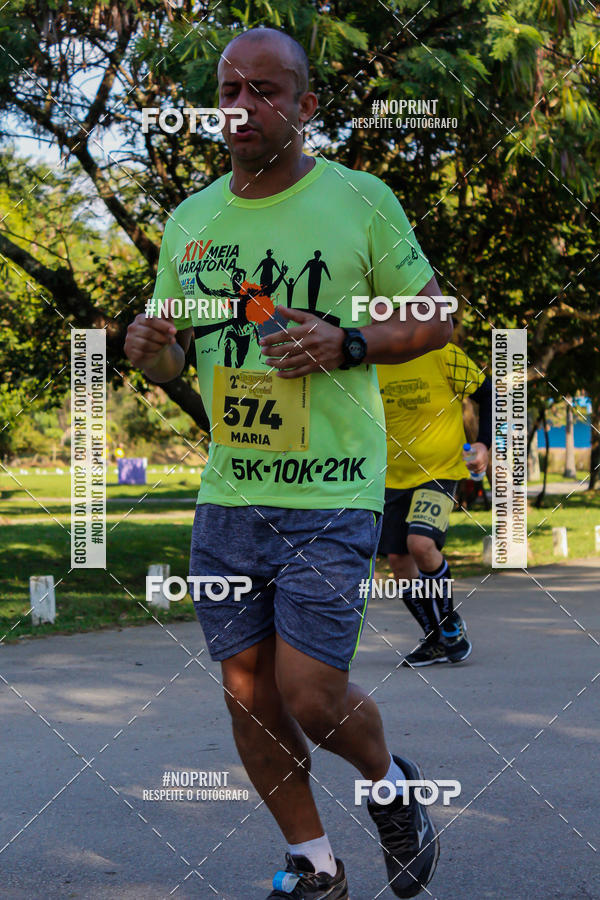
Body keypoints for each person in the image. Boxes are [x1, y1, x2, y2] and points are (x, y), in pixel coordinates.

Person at [125, 27, 452, 899]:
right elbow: (170, 365)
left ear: (306, 107)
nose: (243, 108)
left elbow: (436, 317)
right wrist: (148, 347)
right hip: (232, 496)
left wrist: (349, 340)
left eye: (266, 92)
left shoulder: (360, 199)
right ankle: (316, 865)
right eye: (231, 91)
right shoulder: (192, 222)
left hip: (334, 489)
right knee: (250, 699)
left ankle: (394, 787)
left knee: (309, 692)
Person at [377, 343, 492, 666]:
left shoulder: (442, 353)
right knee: (399, 562)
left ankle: (448, 627)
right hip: (390, 477)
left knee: (421, 544)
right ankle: (433, 639)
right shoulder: (370, 358)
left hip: (439, 472)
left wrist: (483, 443)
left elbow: (488, 393)